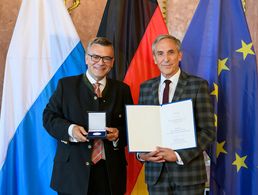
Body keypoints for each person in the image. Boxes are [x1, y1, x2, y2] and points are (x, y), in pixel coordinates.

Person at [43, 37, 133, 195]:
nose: (100, 62)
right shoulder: (66, 85)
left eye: (107, 58)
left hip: (110, 174)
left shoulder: (122, 90)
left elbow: (132, 128)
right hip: (72, 174)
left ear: (112, 62)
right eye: (95, 57)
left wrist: (118, 135)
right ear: (86, 58)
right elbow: (49, 117)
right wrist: (71, 130)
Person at [137, 34, 216, 195]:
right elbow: (142, 129)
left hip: (188, 175)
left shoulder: (197, 85)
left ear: (179, 55)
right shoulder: (146, 88)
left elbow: (208, 131)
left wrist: (178, 155)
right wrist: (141, 153)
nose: (166, 58)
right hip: (156, 176)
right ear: (154, 58)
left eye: (171, 52)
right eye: (160, 53)